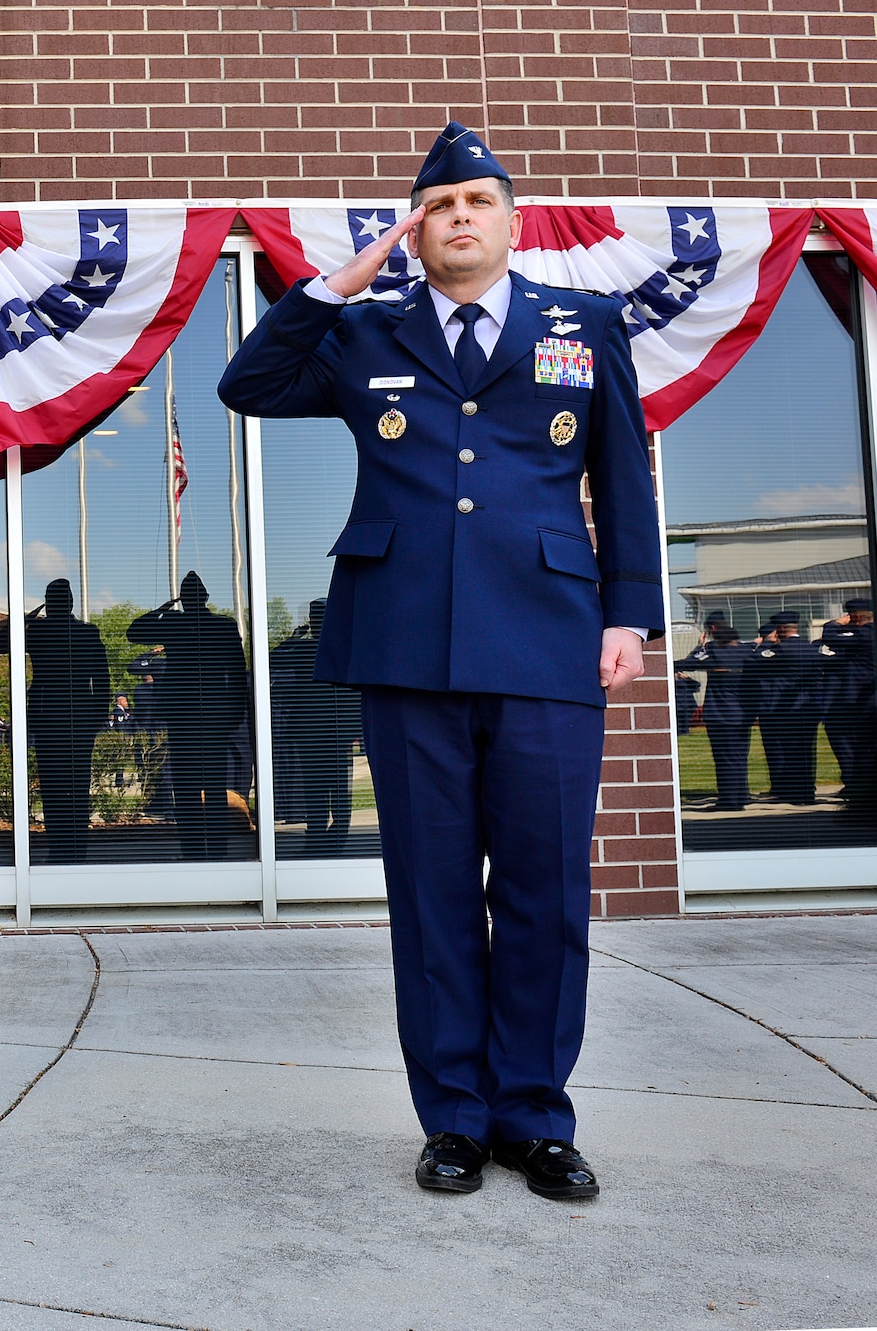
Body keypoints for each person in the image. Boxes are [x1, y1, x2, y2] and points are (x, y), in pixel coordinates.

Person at [219, 124, 664, 1201]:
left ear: (510, 221)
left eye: (477, 199)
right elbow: (247, 382)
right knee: (428, 894)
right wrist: (336, 281)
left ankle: (533, 1115)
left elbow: (622, 474)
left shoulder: (581, 323)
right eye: (439, 204)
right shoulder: (363, 333)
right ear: (413, 230)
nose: (459, 215)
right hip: (405, 639)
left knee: (543, 888)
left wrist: (630, 615)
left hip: (547, 636)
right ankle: (453, 1119)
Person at [129, 572, 250, 860]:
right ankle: (216, 849)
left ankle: (193, 849)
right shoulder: (223, 625)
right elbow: (236, 674)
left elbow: (135, 631)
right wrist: (233, 712)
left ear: (183, 599)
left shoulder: (174, 622)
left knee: (186, 787)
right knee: (213, 786)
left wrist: (162, 610)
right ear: (206, 597)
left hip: (185, 714)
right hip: (211, 713)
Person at [0, 579, 111, 863]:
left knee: (54, 787)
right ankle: (77, 851)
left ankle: (60, 849)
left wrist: (26, 617)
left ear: (50, 602)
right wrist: (97, 718)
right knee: (78, 787)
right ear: (70, 602)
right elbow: (102, 681)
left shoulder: (39, 631)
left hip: (47, 716)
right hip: (80, 717)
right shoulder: (87, 632)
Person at [270, 598, 362, 855]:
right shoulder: (342, 647)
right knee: (337, 789)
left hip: (317, 730)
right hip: (330, 730)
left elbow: (272, 658)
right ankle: (331, 841)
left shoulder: (306, 648)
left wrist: (294, 637)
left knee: (318, 789)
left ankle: (319, 842)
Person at [753, 611, 821, 804]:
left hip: (783, 709)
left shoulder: (780, 650)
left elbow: (757, 658)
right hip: (806, 708)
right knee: (806, 752)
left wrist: (766, 641)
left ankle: (791, 792)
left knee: (786, 752)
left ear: (781, 629)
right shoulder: (810, 649)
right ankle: (807, 792)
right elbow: (816, 680)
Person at [683, 625, 753, 811]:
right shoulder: (746, 653)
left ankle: (729, 801)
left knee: (724, 759)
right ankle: (740, 796)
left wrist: (701, 646)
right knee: (738, 758)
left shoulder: (714, 653)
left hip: (721, 714)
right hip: (742, 714)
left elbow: (688, 663)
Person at [820, 598, 875, 809]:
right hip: (864, 699)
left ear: (857, 617)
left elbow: (830, 638)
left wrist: (834, 624)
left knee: (861, 749)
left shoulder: (865, 634)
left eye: (851, 618)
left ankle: (860, 792)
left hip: (861, 701)